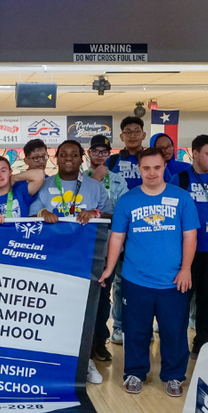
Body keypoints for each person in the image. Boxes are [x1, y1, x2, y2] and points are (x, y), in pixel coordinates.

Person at [99, 147, 199, 396]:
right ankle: (134, 372)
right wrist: (110, 269)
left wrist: (186, 269)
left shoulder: (181, 198)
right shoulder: (128, 200)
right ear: (139, 169)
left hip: (174, 280)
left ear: (165, 167)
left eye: (156, 167)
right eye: (146, 168)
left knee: (174, 331)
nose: (152, 173)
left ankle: (174, 376)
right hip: (136, 279)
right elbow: (117, 239)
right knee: (136, 330)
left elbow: (190, 237)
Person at [29, 140, 112, 384]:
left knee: (84, 314)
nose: (68, 158)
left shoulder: (94, 187)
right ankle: (51, 362)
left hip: (85, 260)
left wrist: (95, 213)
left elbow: (110, 213)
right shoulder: (44, 185)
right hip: (51, 260)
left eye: (73, 154)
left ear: (81, 158)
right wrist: (43, 213)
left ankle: (85, 362)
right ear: (56, 158)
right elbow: (30, 212)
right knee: (53, 313)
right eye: (63, 154)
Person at [172, 135, 208, 356]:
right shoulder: (180, 179)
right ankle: (177, 345)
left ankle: (203, 342)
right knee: (181, 301)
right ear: (194, 153)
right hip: (186, 252)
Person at [85, 134, 128, 358]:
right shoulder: (80, 179)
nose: (99, 155)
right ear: (88, 153)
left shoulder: (119, 181)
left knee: (103, 297)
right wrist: (95, 180)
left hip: (109, 248)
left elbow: (121, 215)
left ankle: (100, 343)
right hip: (81, 248)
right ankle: (81, 344)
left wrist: (97, 214)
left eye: (104, 152)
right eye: (95, 151)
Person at [107, 116, 147, 191]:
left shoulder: (152, 160)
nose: (132, 136)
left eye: (137, 131)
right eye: (128, 132)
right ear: (121, 137)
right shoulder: (111, 160)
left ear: (144, 135)